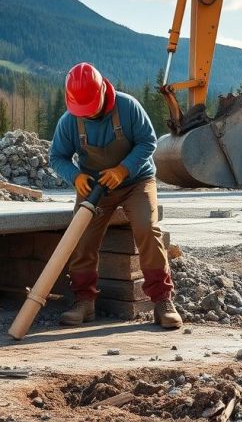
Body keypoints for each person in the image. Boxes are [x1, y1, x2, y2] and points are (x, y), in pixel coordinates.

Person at [48, 62, 182, 329]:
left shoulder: (127, 106)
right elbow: (57, 157)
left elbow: (148, 141)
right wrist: (75, 176)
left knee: (147, 228)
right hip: (95, 188)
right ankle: (84, 301)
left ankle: (162, 301)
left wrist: (123, 169)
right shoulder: (69, 121)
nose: (86, 113)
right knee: (82, 235)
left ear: (102, 92)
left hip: (136, 181)